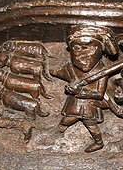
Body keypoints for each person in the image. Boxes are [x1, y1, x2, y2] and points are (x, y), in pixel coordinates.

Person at [50, 25, 118, 153]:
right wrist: (50, 71)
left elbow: (99, 94)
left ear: (101, 50)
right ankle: (59, 129)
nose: (82, 55)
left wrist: (79, 91)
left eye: (89, 48)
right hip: (75, 102)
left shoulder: (101, 71)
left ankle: (99, 142)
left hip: (88, 104)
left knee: (91, 125)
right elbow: (61, 73)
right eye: (76, 48)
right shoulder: (71, 68)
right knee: (68, 118)